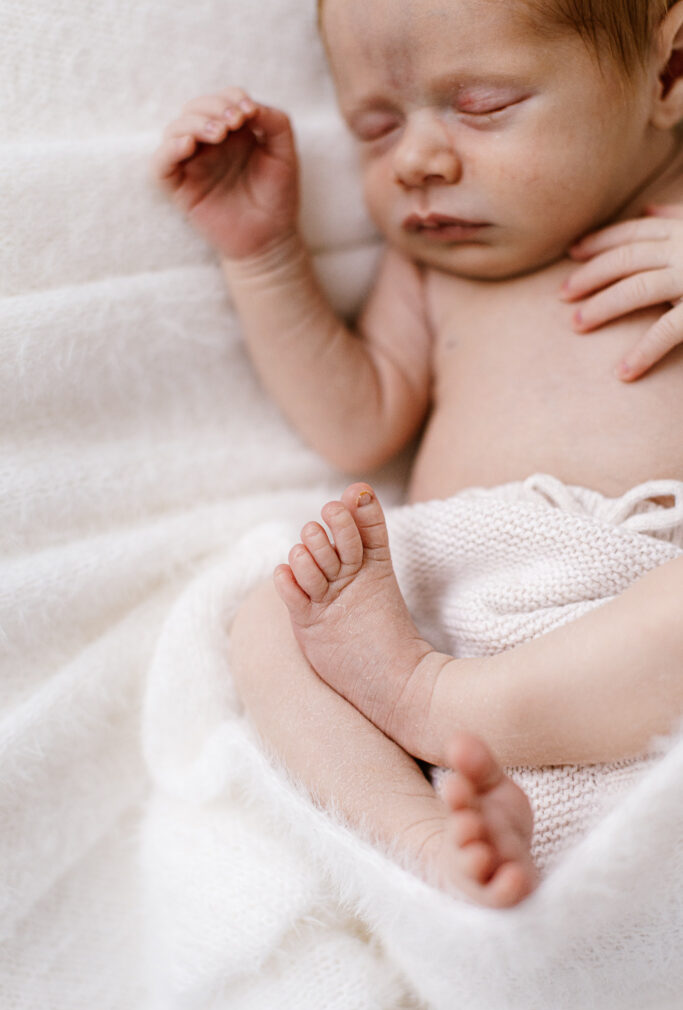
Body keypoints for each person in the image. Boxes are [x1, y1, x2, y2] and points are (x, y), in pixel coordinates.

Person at [152, 0, 683, 907]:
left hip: (638, 601)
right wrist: (265, 257)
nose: (418, 162)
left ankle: (437, 707)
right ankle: (424, 843)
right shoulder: (434, 269)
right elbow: (355, 425)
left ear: (667, 77)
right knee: (270, 618)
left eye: (480, 105)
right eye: (375, 126)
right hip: (429, 607)